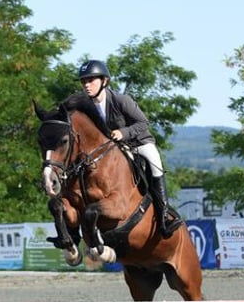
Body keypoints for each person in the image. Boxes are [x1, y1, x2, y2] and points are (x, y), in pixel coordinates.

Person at [77, 60, 182, 238]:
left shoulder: (121, 100)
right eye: (84, 81)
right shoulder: (85, 106)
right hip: (112, 149)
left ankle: (164, 215)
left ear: (104, 81)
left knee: (155, 164)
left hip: (138, 143)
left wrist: (123, 133)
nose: (86, 85)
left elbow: (143, 123)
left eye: (91, 80)